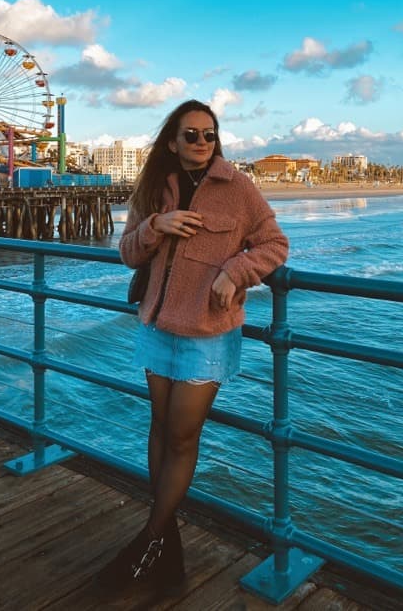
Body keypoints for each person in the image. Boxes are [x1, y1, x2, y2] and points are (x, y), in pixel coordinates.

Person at [94, 99, 289, 598]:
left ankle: (149, 542)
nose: (202, 143)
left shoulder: (238, 187)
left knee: (181, 436)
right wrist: (154, 226)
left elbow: (274, 244)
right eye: (191, 135)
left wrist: (234, 271)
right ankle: (166, 551)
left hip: (208, 332)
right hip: (158, 326)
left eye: (210, 135)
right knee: (159, 429)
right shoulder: (155, 186)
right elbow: (126, 253)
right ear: (172, 140)